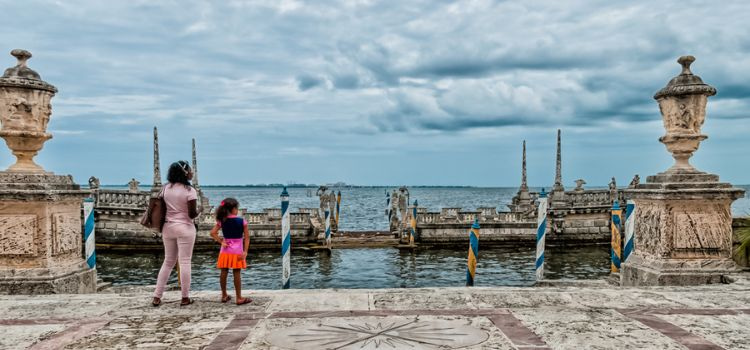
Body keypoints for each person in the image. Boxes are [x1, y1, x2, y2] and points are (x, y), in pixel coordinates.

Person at [152, 161, 200, 307]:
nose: (192, 173)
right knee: (184, 261)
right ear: (185, 172)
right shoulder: (189, 190)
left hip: (168, 227)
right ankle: (185, 297)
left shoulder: (166, 188)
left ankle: (157, 296)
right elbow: (191, 214)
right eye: (190, 170)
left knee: (168, 262)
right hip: (185, 227)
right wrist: (200, 210)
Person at [210, 197, 252, 305]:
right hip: (237, 251)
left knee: (224, 271)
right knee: (236, 272)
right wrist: (245, 251)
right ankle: (239, 298)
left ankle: (224, 295)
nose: (237, 210)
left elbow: (213, 233)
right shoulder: (242, 221)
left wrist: (221, 242)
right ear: (233, 209)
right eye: (237, 208)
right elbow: (247, 238)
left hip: (225, 250)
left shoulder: (222, 221)